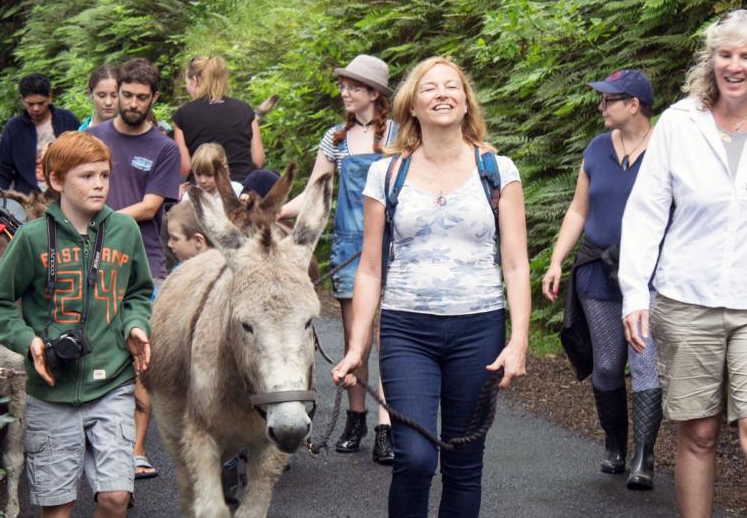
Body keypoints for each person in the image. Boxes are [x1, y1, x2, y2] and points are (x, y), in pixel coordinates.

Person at [618, 9, 747, 518]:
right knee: (699, 433)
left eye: (746, 56)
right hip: (687, 298)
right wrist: (635, 294)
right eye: (725, 54)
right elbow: (645, 213)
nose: (734, 65)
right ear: (711, 61)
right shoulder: (680, 125)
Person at [331, 56, 530, 517]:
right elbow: (370, 269)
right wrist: (357, 346)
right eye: (429, 88)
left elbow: (516, 264)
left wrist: (519, 339)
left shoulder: (498, 170)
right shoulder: (387, 173)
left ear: (465, 103)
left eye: (451, 87)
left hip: (478, 327)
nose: (442, 93)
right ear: (411, 107)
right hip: (406, 330)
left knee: (463, 464)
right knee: (415, 460)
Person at [0, 131, 154, 518]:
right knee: (57, 507)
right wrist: (28, 340)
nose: (99, 184)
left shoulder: (125, 232)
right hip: (51, 392)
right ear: (56, 180)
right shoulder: (30, 238)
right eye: (87, 175)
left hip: (112, 383)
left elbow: (138, 294)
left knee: (115, 498)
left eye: (104, 175)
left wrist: (135, 327)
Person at [542, 69, 663, 490]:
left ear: (634, 105)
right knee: (608, 365)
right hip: (597, 270)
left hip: (648, 276)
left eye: (609, 99)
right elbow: (578, 210)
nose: (600, 106)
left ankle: (644, 458)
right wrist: (557, 260)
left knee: (646, 363)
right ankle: (615, 444)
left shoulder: (667, 149)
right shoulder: (596, 149)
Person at [282, 54, 399, 464]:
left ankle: (387, 426)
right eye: (343, 86)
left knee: (393, 341)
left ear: (373, 93)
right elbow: (315, 191)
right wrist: (274, 209)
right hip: (351, 247)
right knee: (357, 340)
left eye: (353, 86)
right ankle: (356, 418)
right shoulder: (335, 139)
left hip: (398, 246)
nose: (344, 92)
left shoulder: (403, 134)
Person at [86, 57, 182, 480]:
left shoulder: (163, 147)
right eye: (127, 94)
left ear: (154, 99)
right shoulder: (91, 137)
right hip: (89, 259)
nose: (132, 103)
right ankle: (93, 441)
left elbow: (151, 206)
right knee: (91, 346)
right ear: (116, 91)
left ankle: (137, 451)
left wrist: (102, 218)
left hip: (144, 263)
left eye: (142, 98)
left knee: (141, 354)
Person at [171, 56, 266, 181]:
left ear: (195, 80)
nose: (188, 88)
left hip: (204, 192)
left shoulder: (183, 114)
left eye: (187, 83)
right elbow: (258, 160)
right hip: (242, 190)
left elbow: (185, 167)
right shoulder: (245, 109)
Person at [0, 73, 82, 192]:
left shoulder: (68, 121)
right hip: (28, 197)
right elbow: (5, 170)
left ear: (50, 98)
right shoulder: (13, 128)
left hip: (64, 193)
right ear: (22, 100)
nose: (36, 108)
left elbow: (83, 157)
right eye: (30, 104)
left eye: (41, 103)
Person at [79, 64, 119, 131]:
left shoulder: (134, 133)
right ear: (90, 94)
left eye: (114, 96)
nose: (108, 102)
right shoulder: (80, 136)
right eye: (102, 96)